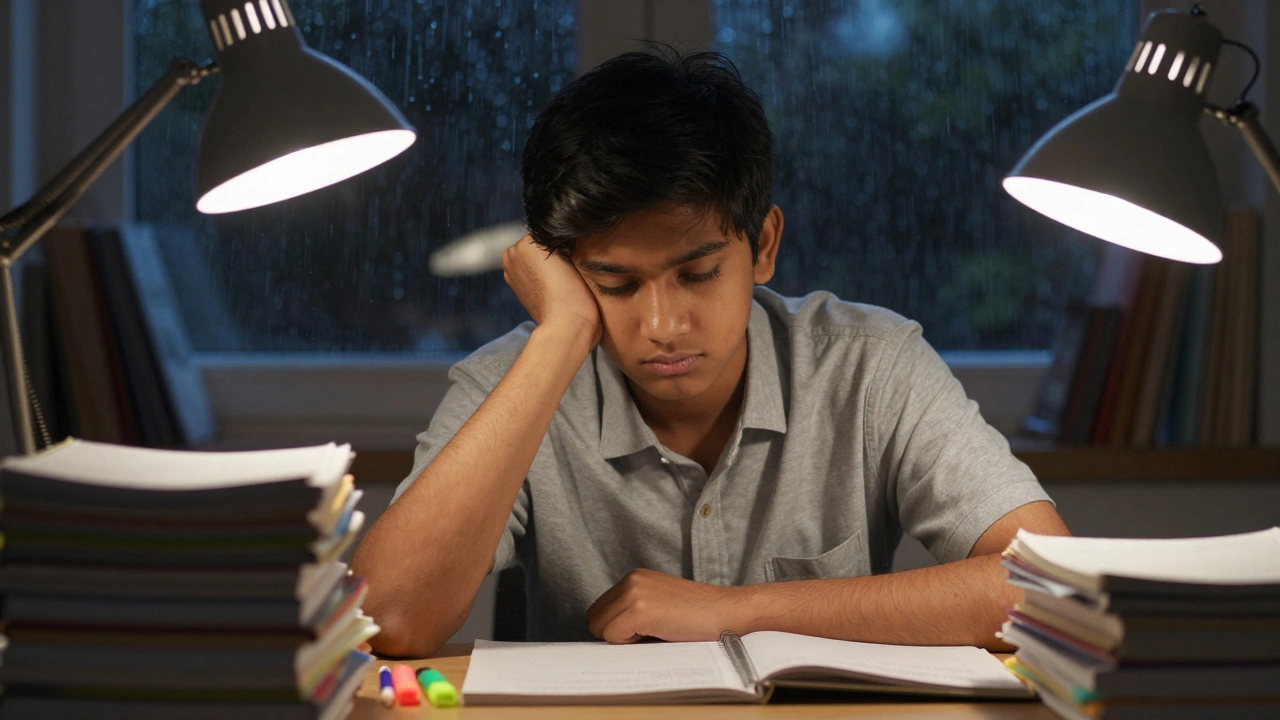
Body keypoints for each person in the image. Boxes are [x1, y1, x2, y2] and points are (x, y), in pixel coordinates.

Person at [351, 46, 1070, 658]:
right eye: (616, 284)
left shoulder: (870, 365)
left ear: (763, 246)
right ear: (565, 274)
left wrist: (741, 611)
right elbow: (388, 618)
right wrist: (562, 333)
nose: (662, 324)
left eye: (697, 274)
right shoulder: (514, 380)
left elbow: (1046, 590)